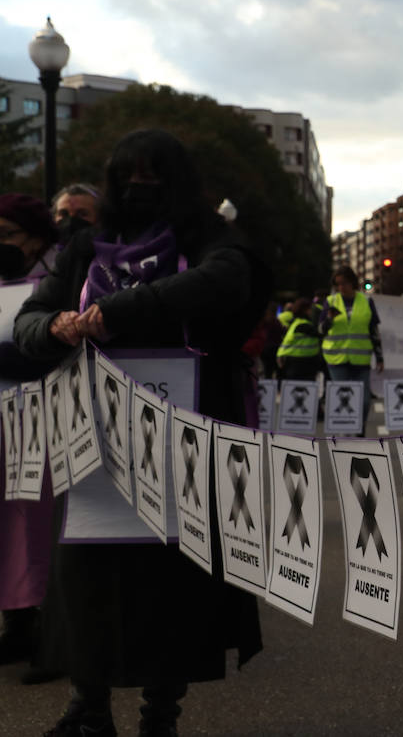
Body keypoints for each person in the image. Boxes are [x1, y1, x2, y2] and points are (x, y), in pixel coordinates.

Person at [14, 129, 269, 737]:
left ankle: (161, 714)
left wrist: (124, 308)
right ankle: (88, 706)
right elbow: (27, 322)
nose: (139, 187)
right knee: (85, 576)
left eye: (154, 177)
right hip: (91, 440)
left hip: (182, 435)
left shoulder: (209, 237)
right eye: (128, 175)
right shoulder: (82, 248)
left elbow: (228, 280)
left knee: (171, 583)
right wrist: (55, 328)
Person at [0, 194, 62, 686]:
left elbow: (48, 351)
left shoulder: (54, 283)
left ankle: (49, 631)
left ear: (37, 238)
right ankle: (16, 623)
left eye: (8, 233)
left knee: (36, 525)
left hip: (40, 418)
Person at [319, 266, 383, 418]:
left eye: (345, 283)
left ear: (352, 282)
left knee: (364, 401)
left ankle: (360, 432)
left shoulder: (367, 301)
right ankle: (344, 436)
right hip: (336, 359)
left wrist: (380, 357)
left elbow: (374, 331)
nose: (341, 287)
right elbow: (321, 330)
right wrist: (329, 319)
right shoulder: (330, 301)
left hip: (360, 359)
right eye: (338, 284)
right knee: (343, 398)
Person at [277, 297, 324, 380]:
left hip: (295, 360)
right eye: (310, 309)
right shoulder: (303, 325)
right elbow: (321, 334)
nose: (311, 311)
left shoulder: (297, 323)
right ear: (305, 310)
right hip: (301, 361)